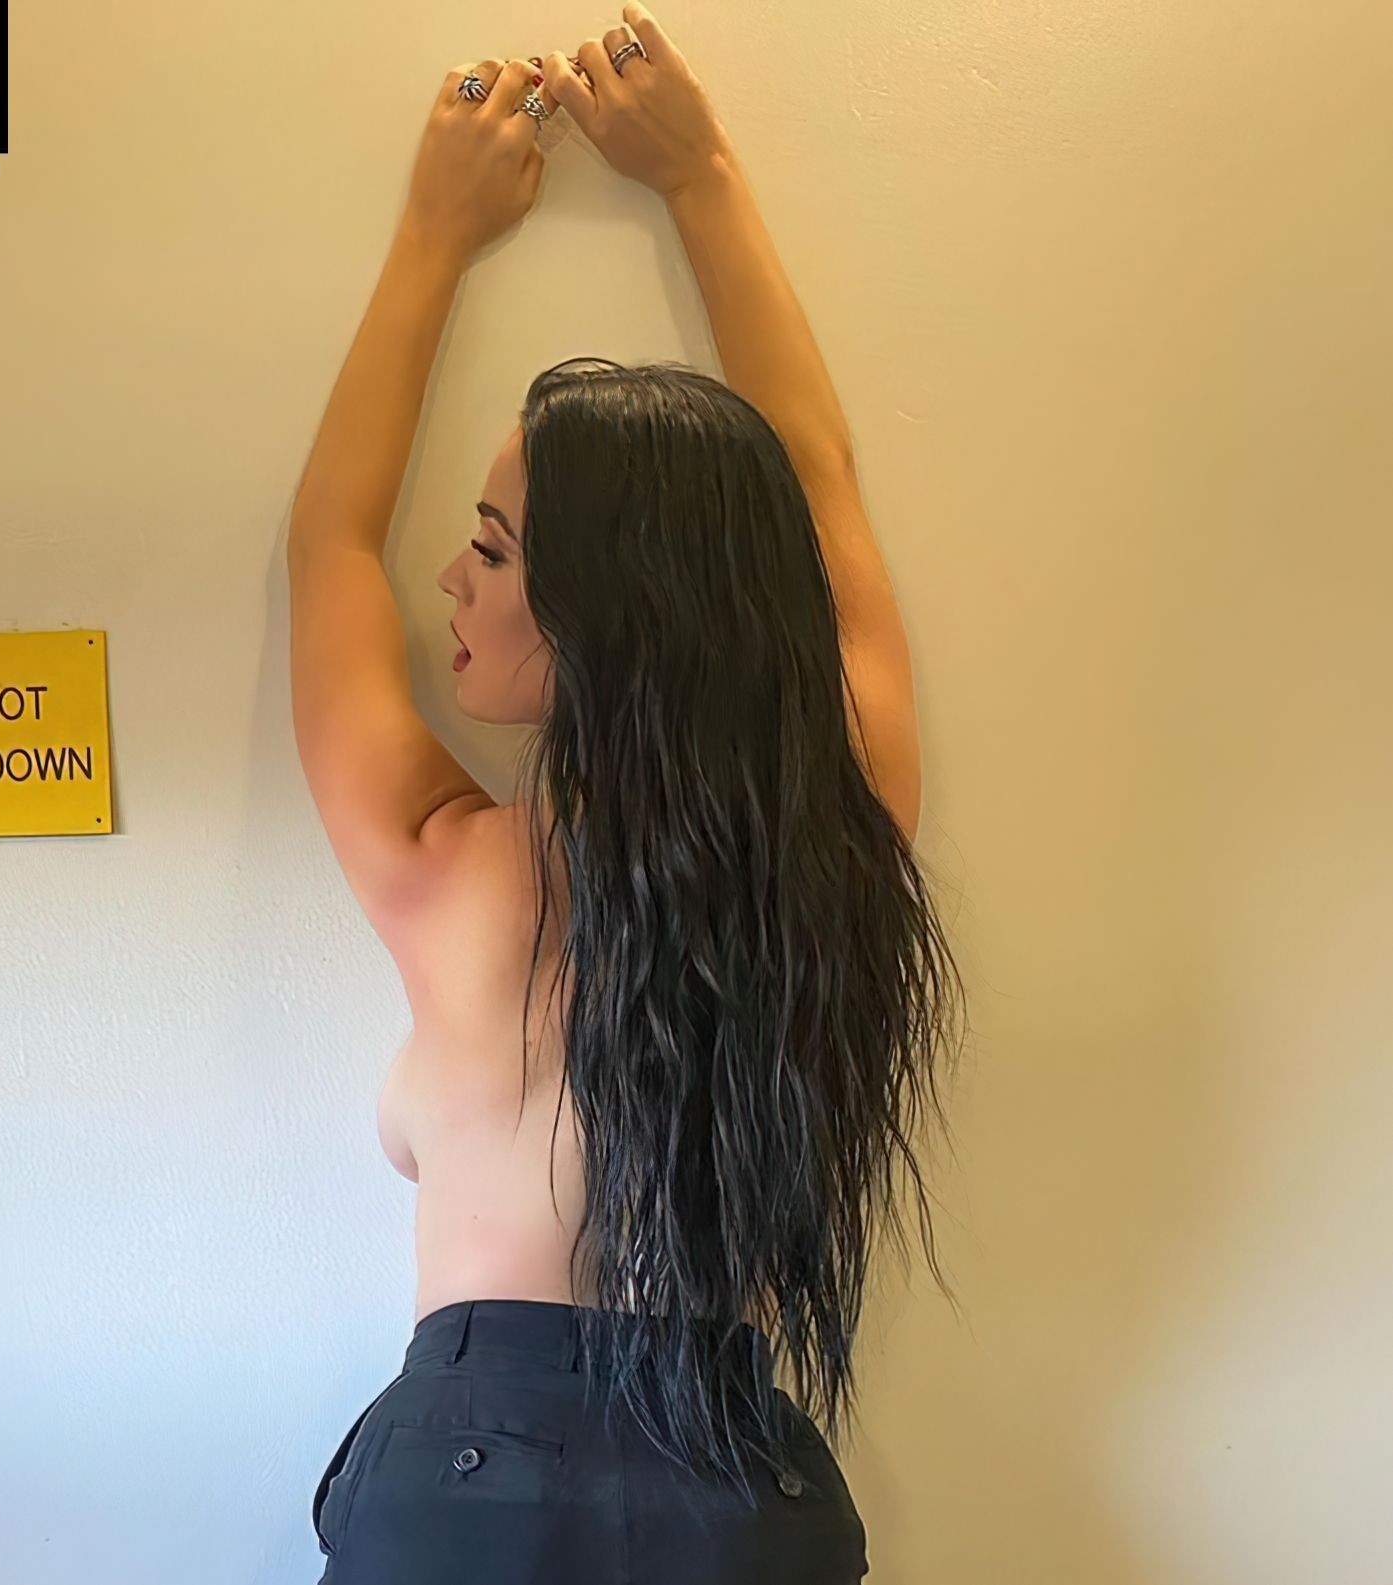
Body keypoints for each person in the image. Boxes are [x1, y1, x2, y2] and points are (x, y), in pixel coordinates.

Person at [285, 5, 967, 1579]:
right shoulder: (838, 832)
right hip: (743, 1494)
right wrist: (700, 179)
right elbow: (812, 489)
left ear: (604, 612)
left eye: (493, 547)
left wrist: (434, 234)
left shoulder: (442, 865)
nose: (450, 581)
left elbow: (328, 542)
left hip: (472, 1478)